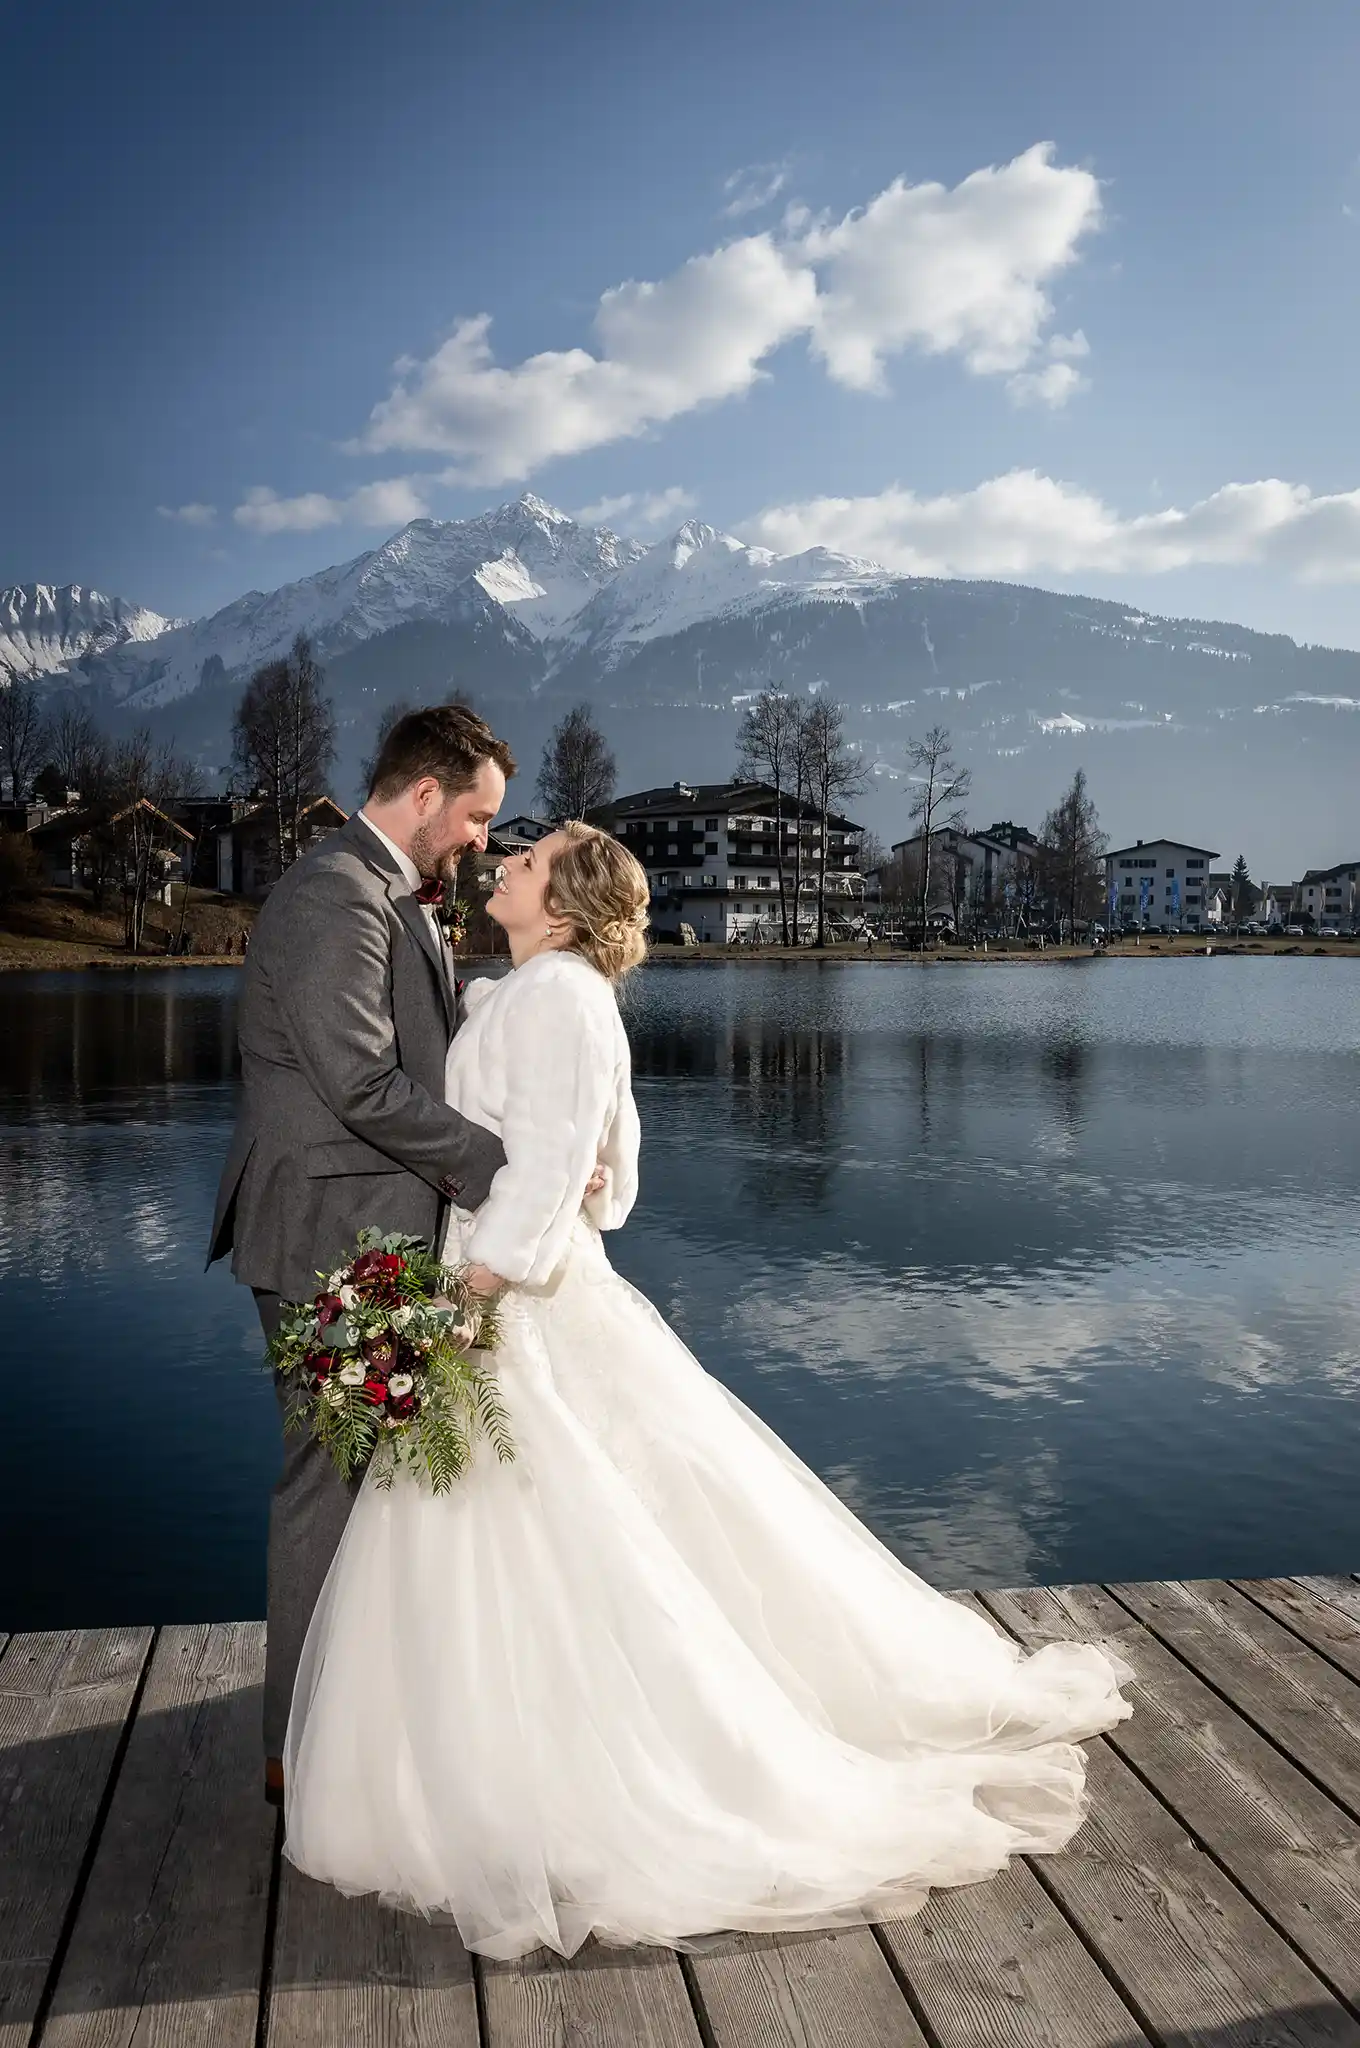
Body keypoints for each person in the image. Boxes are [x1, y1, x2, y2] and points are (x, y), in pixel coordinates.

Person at [281, 822, 1134, 1961]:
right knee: (537, 1527)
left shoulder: (562, 999)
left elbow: (556, 1160)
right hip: (505, 1274)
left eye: (528, 863)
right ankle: (490, 1751)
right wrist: (558, 1196)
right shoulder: (530, 990)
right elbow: (613, 1162)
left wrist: (481, 1282)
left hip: (505, 1293)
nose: (506, 866)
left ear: (569, 906)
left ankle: (581, 1763)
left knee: (550, 1528)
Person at [206, 703, 520, 1807]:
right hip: (328, 1235)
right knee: (328, 1482)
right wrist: (503, 1164)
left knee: (370, 1480)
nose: (485, 837)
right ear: (424, 792)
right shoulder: (334, 892)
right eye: (478, 813)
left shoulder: (386, 889)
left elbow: (414, 1048)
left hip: (370, 1226)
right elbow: (359, 1084)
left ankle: (356, 1716)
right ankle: (296, 1743)